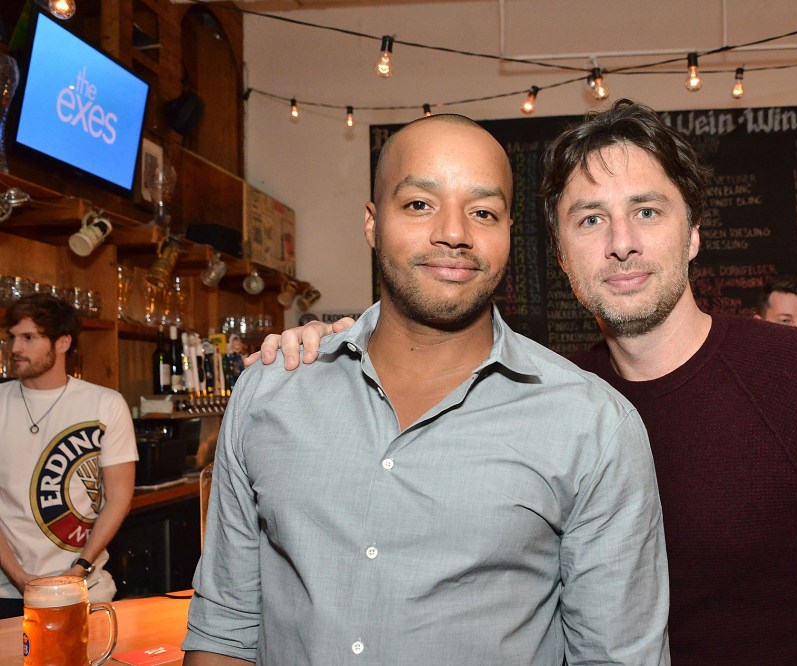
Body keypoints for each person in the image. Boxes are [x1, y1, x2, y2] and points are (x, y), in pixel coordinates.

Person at [258, 100, 797, 664]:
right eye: (590, 219)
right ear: (559, 253)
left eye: (647, 212)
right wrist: (330, 351)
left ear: (691, 233)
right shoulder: (542, 403)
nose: (621, 241)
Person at [183, 114, 669, 665]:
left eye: (482, 212)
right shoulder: (272, 393)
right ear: (372, 222)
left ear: (509, 231)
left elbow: (616, 656)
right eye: (419, 204)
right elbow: (224, 629)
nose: (454, 233)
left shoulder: (593, 425)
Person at [0, 294, 137, 619]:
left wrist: (79, 569)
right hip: (7, 593)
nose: (15, 348)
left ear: (62, 343)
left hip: (87, 588)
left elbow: (119, 497)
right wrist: (20, 578)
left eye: (29, 337)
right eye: (12, 337)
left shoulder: (104, 403)